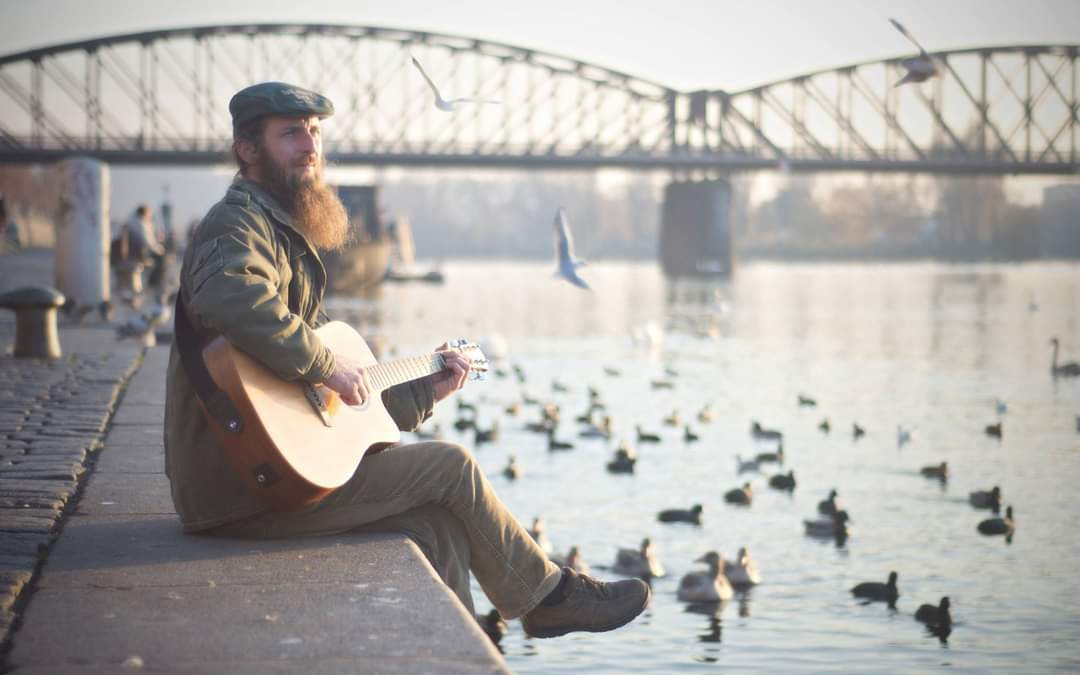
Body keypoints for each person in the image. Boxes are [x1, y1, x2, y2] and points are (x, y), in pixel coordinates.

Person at [163, 81, 649, 639]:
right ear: (248, 149)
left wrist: (428, 390)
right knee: (451, 466)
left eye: (315, 132)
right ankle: (548, 598)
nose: (310, 145)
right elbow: (231, 297)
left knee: (436, 525)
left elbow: (329, 412)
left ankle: (462, 650)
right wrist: (324, 364)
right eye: (290, 133)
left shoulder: (282, 233)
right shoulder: (236, 226)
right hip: (238, 485)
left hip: (266, 474)